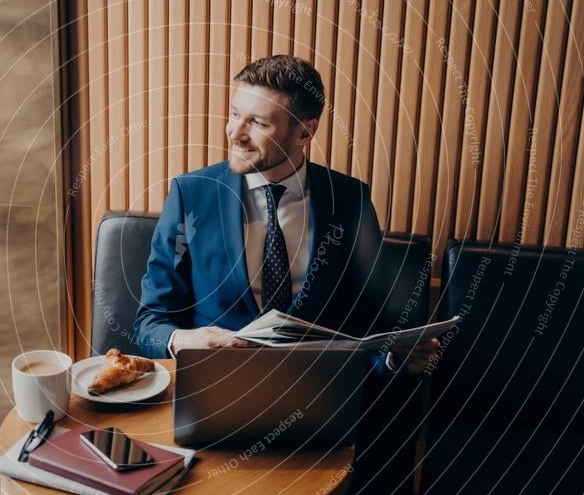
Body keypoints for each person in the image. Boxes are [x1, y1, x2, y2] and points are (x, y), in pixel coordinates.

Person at [133, 55, 438, 374]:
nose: (235, 133)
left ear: (305, 132)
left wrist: (395, 359)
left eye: (258, 123)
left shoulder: (351, 200)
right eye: (235, 114)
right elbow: (150, 322)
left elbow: (369, 325)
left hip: (319, 398)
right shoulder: (191, 194)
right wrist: (182, 340)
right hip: (213, 392)